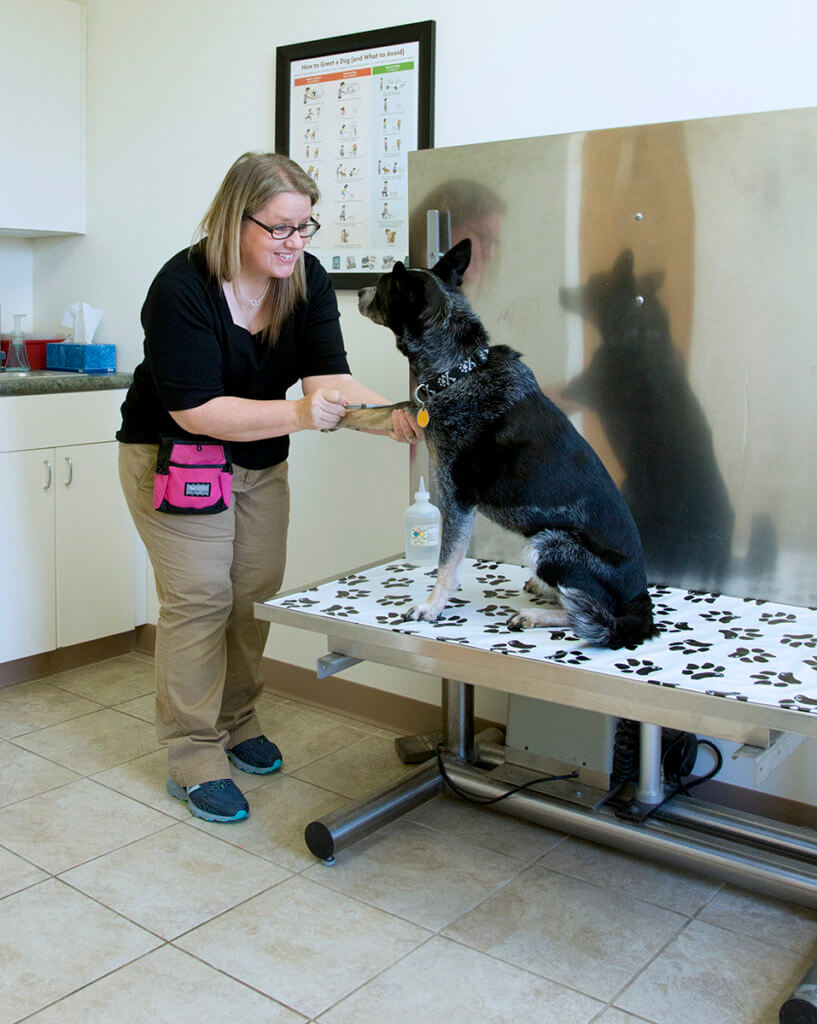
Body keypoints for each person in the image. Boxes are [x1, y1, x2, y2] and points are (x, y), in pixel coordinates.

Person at [117, 151, 419, 824]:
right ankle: (194, 754)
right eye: (279, 229)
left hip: (258, 456)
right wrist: (304, 417)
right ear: (235, 220)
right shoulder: (181, 288)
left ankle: (238, 721)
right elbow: (196, 408)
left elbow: (326, 380)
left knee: (252, 594)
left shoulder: (304, 277)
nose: (295, 243)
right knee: (200, 599)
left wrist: (398, 416)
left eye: (305, 227)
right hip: (175, 454)